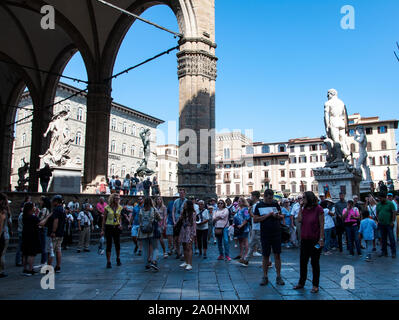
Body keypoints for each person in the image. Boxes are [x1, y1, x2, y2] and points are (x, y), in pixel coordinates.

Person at [293, 191, 324, 294]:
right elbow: (299, 220)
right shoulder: (304, 209)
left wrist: (321, 239)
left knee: (314, 262)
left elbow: (322, 225)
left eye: (304, 198)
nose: (303, 200)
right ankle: (301, 282)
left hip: (315, 240)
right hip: (305, 239)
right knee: (303, 262)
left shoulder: (318, 209)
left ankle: (315, 285)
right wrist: (301, 208)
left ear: (309, 198)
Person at [254, 189, 285, 286]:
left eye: (271, 198)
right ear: (265, 197)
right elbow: (255, 219)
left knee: (277, 255)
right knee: (265, 255)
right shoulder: (259, 205)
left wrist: (277, 216)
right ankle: (265, 276)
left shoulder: (275, 204)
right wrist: (268, 215)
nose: (270, 200)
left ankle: (279, 276)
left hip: (276, 232)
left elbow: (281, 216)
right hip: (265, 233)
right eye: (268, 198)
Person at [137, 197, 161, 271]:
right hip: (152, 231)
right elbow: (159, 218)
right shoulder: (154, 210)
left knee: (145, 248)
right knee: (155, 247)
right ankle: (154, 261)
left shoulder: (141, 210)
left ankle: (146, 264)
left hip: (143, 231)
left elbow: (139, 221)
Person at [44, 195, 66, 273]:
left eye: (53, 201)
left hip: (55, 233)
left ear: (56, 202)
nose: (52, 202)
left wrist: (53, 231)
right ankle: (58, 266)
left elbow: (56, 221)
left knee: (51, 251)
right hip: (61, 233)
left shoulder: (56, 210)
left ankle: (49, 268)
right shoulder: (63, 210)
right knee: (58, 250)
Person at [101, 193, 123, 268]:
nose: (117, 200)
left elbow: (120, 217)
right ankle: (108, 261)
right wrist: (102, 229)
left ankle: (118, 258)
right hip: (109, 226)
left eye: (118, 198)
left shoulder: (120, 207)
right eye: (116, 198)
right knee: (109, 244)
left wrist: (120, 224)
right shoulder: (107, 208)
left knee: (117, 244)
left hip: (116, 226)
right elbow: (104, 219)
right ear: (112, 199)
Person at [20, 202, 41, 276]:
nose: (35, 208)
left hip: (25, 235)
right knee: (31, 254)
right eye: (34, 206)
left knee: (25, 253)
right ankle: (30, 269)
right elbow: (40, 223)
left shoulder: (24, 216)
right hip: (32, 236)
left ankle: (25, 269)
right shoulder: (33, 217)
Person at [243, 191, 262, 264]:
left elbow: (256, 217)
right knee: (251, 244)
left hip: (257, 227)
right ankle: (246, 260)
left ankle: (268, 261)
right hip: (255, 227)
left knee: (260, 245)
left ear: (254, 196)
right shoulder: (258, 204)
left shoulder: (255, 205)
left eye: (251, 196)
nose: (250, 198)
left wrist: (250, 212)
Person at [376, 192, 396, 258]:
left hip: (389, 224)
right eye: (379, 198)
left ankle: (393, 252)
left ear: (384, 198)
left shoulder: (390, 204)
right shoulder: (378, 204)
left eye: (380, 198)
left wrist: (392, 221)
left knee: (391, 238)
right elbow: (377, 213)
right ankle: (384, 252)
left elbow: (393, 212)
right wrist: (378, 220)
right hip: (381, 224)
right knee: (383, 239)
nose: (380, 200)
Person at [178, 200, 196, 270]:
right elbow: (180, 220)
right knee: (184, 246)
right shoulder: (184, 213)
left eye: (185, 204)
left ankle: (190, 263)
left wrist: (193, 234)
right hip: (184, 230)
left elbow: (194, 224)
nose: (184, 206)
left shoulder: (193, 213)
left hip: (189, 230)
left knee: (189, 247)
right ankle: (186, 261)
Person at [233, 197, 251, 266]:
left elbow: (247, 218)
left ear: (243, 202)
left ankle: (245, 256)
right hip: (238, 227)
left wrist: (242, 225)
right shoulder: (238, 209)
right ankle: (241, 254)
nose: (238, 202)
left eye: (240, 201)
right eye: (238, 201)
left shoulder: (245, 209)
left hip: (244, 227)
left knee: (245, 241)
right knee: (240, 241)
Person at [172, 188, 187, 259]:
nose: (181, 194)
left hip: (183, 222)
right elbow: (173, 211)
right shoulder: (176, 201)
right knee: (176, 238)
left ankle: (184, 254)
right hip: (176, 221)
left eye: (182, 193)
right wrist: (174, 221)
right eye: (180, 193)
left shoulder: (186, 201)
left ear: (184, 193)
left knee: (183, 238)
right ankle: (178, 252)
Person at [0, 193, 12, 278]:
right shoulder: (5, 212)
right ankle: (1, 270)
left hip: (3, 234)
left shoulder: (3, 212)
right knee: (2, 254)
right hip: (4, 234)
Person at [37, 196, 51, 264]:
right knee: (44, 246)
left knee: (43, 246)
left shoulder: (44, 209)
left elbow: (40, 218)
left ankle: (43, 261)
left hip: (42, 228)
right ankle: (43, 261)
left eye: (41, 200)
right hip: (44, 228)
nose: (39, 202)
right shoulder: (45, 209)